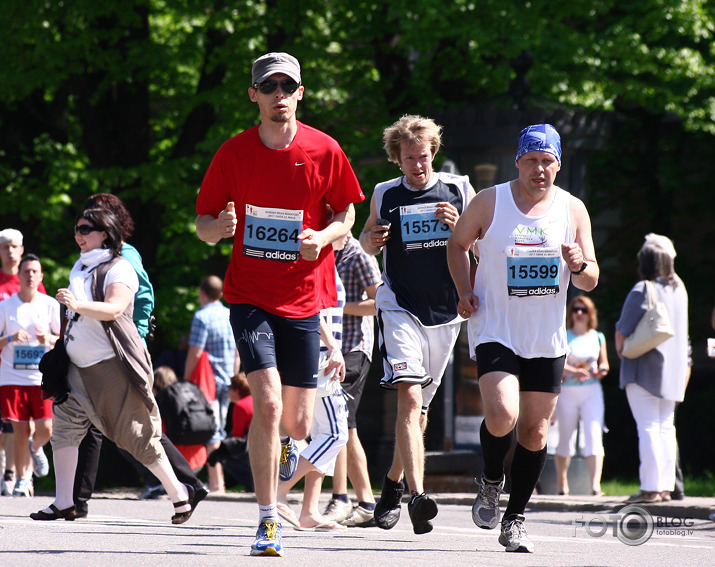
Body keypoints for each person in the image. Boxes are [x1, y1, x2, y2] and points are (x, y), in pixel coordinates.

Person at [194, 51, 364, 556]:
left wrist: (325, 236)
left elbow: (348, 213)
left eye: (287, 87)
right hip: (249, 296)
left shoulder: (324, 149)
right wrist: (217, 229)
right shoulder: (233, 153)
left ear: (300, 93)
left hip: (304, 298)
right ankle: (268, 519)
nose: (279, 96)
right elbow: (202, 224)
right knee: (266, 404)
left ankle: (286, 444)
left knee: (299, 423)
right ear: (254, 95)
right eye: (269, 88)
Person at [447, 123, 598, 553]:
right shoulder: (489, 201)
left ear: (558, 164)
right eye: (531, 160)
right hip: (496, 328)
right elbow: (457, 244)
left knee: (534, 432)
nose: (539, 169)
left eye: (547, 161)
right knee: (502, 415)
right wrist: (463, 291)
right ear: (518, 161)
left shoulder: (572, 210)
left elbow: (591, 278)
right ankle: (492, 478)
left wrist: (579, 263)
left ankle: (514, 519)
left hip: (546, 338)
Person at [30, 208, 195, 524]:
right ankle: (64, 501)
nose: (78, 235)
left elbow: (115, 308)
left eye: (84, 229)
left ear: (104, 233)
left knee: (134, 436)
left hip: (110, 367)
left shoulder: (121, 268)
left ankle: (179, 493)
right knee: (64, 425)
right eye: (76, 229)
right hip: (76, 366)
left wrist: (77, 306)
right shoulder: (80, 266)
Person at [360, 115, 475, 534]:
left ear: (433, 154)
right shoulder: (384, 193)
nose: (418, 165)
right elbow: (364, 240)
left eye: (424, 157)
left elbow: (484, 242)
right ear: (398, 158)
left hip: (446, 313)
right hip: (400, 305)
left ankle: (391, 485)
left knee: (419, 410)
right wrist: (370, 242)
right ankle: (418, 496)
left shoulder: (459, 188)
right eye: (409, 158)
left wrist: (458, 227)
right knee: (408, 398)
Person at [72, 193, 208, 517]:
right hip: (96, 350)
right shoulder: (90, 257)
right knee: (99, 421)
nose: (82, 230)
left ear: (108, 225)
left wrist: (137, 338)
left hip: (118, 350)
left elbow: (142, 297)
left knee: (136, 425)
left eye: (91, 222)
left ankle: (185, 484)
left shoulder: (125, 256)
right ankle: (75, 500)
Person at [615, 233, 689, 504]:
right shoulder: (679, 289)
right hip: (673, 371)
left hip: (643, 369)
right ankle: (666, 488)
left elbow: (622, 331)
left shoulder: (643, 289)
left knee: (647, 427)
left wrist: (621, 350)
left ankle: (649, 488)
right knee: (666, 428)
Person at [277, 263, 348, 531]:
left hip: (320, 357)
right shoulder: (319, 264)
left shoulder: (327, 262)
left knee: (322, 435)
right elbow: (313, 309)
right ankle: (279, 488)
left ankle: (309, 511)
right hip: (321, 358)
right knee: (335, 435)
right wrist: (333, 347)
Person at [323, 231, 381, 527]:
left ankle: (341, 498)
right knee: (345, 425)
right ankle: (366, 501)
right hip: (331, 350)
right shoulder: (325, 252)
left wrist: (340, 307)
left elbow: (380, 302)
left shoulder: (359, 256)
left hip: (354, 349)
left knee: (339, 422)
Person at [0, 254, 60, 497]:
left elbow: (64, 339)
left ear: (41, 276)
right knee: (20, 431)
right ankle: (23, 480)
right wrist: (10, 339)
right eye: (26, 271)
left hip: (41, 377)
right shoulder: (5, 306)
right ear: (20, 275)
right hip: (11, 377)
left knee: (46, 428)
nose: (30, 275)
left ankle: (36, 449)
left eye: (35, 271)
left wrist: (50, 340)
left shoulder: (50, 305)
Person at [183, 275, 238, 494]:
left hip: (208, 382)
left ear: (202, 293)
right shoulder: (230, 315)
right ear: (221, 294)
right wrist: (234, 377)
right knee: (219, 427)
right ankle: (217, 482)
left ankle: (216, 484)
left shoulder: (201, 317)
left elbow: (195, 352)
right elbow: (237, 352)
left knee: (212, 431)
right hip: (227, 380)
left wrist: (186, 380)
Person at [554, 295, 609, 496]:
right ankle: (562, 484)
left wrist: (601, 370)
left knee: (594, 435)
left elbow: (605, 363)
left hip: (592, 390)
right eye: (575, 310)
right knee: (565, 437)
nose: (578, 313)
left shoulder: (598, 336)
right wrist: (574, 372)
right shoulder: (564, 335)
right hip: (567, 390)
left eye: (583, 310)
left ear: (590, 314)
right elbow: (558, 365)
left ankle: (595, 486)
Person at [207, 371, 254, 490]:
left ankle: (251, 483)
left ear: (236, 391)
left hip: (252, 448)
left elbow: (237, 436)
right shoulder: (255, 400)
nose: (228, 392)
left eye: (229, 389)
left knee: (224, 457)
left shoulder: (241, 406)